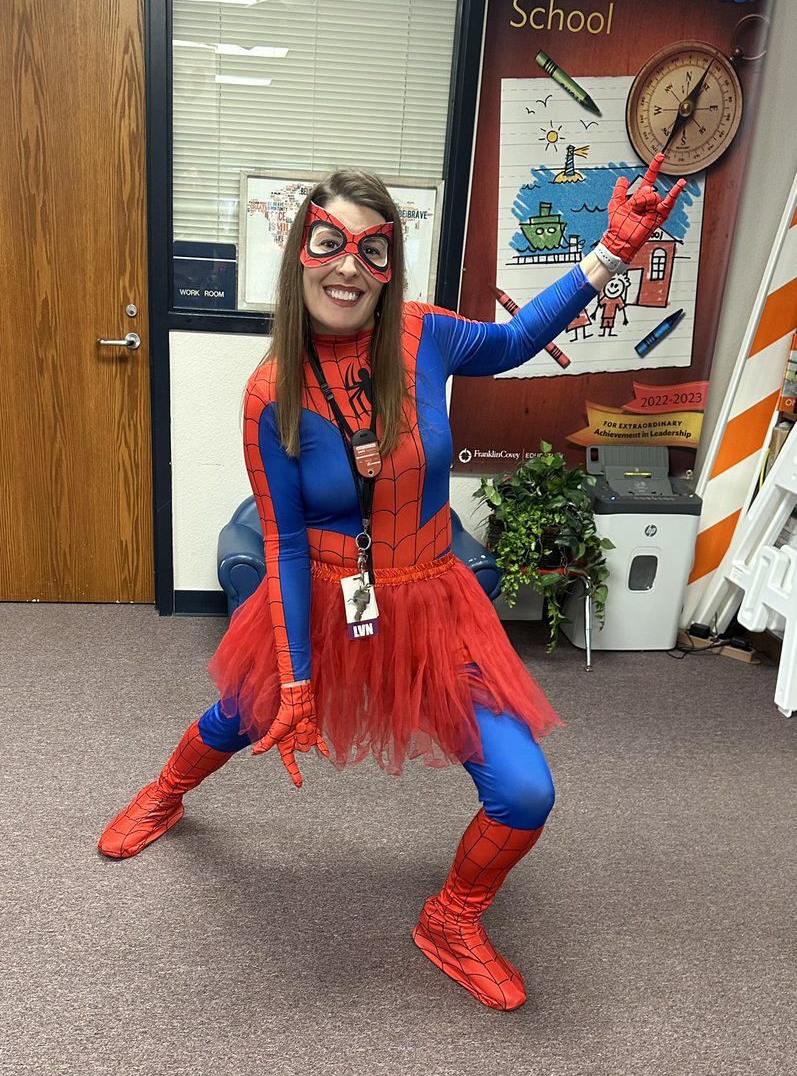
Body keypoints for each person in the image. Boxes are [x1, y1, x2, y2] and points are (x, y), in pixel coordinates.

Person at [99, 159, 684, 1011]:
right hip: (329, 601)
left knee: (525, 792)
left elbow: (516, 341)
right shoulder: (270, 393)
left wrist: (609, 254)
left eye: (372, 251)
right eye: (328, 241)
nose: (347, 266)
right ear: (299, 250)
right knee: (244, 711)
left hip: (434, 597)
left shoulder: (425, 336)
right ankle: (166, 793)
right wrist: (295, 676)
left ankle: (452, 918)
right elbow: (284, 545)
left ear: (390, 267)